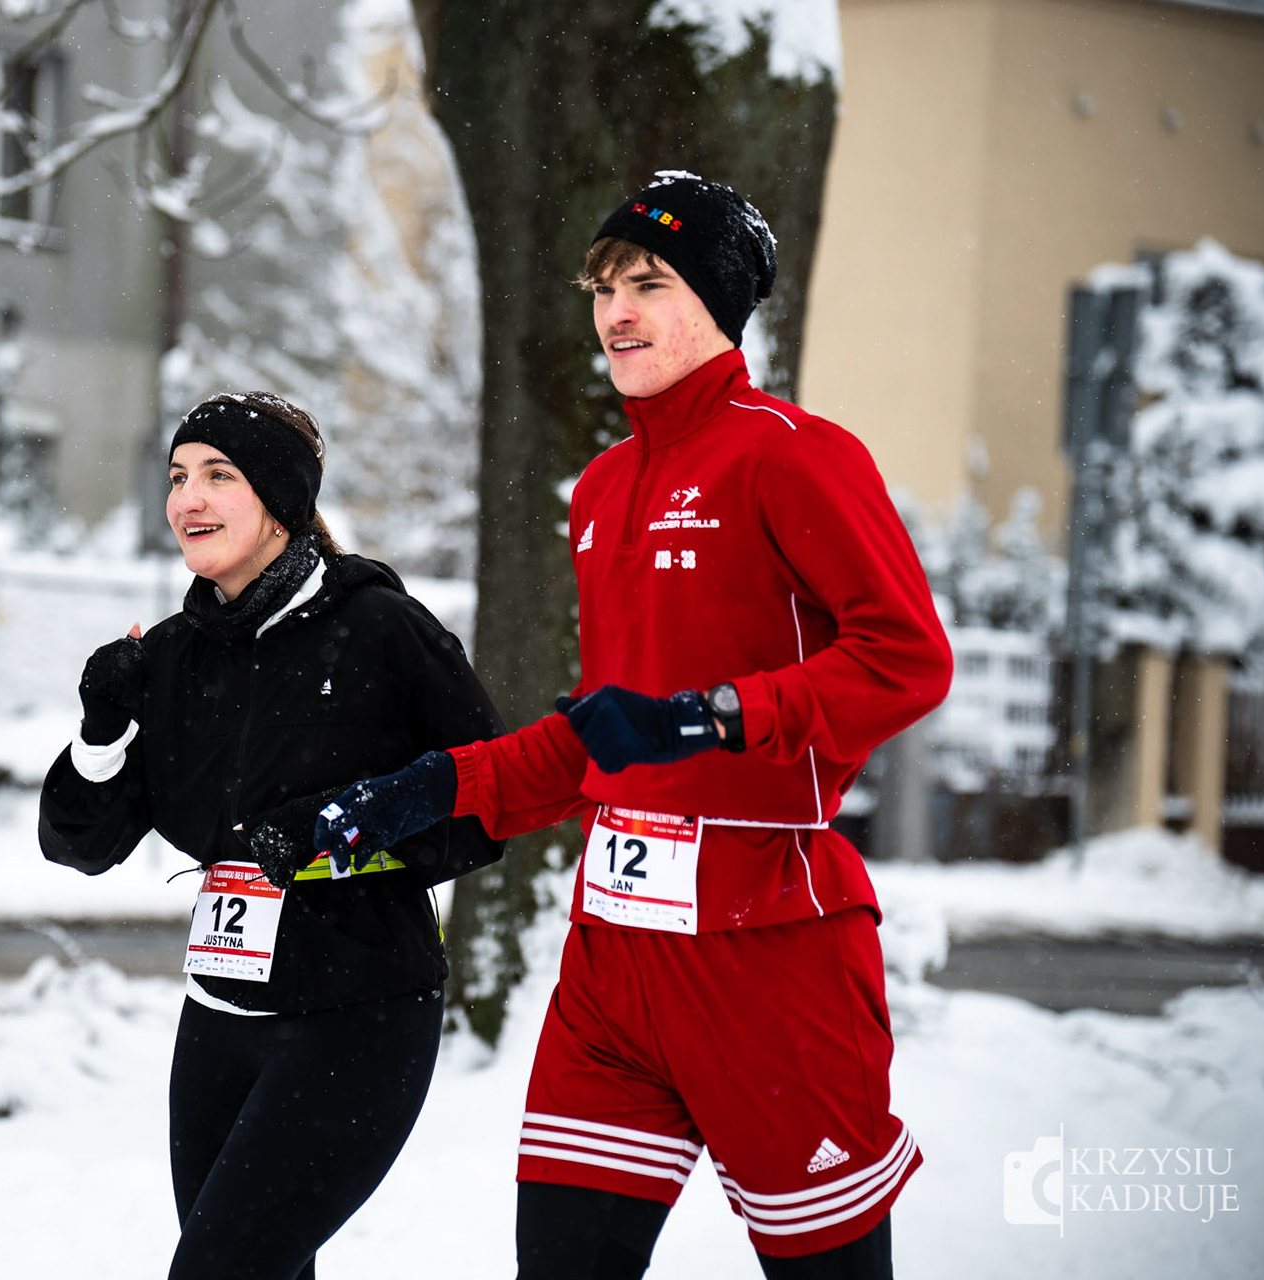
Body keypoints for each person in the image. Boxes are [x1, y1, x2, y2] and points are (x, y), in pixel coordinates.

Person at [314, 172, 953, 1279]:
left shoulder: (794, 453)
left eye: (648, 283)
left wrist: (714, 717)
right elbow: (608, 734)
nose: (616, 311)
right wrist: (433, 787)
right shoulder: (605, 487)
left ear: (717, 300)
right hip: (611, 965)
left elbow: (908, 658)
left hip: (767, 950)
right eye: (603, 287)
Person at [38, 390, 504, 1280]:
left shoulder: (381, 630)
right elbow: (80, 845)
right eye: (178, 476)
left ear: (281, 499)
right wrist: (100, 734)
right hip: (218, 1013)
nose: (189, 499)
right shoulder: (173, 653)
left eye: (219, 475)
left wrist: (341, 835)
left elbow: (489, 806)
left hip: (359, 1014)